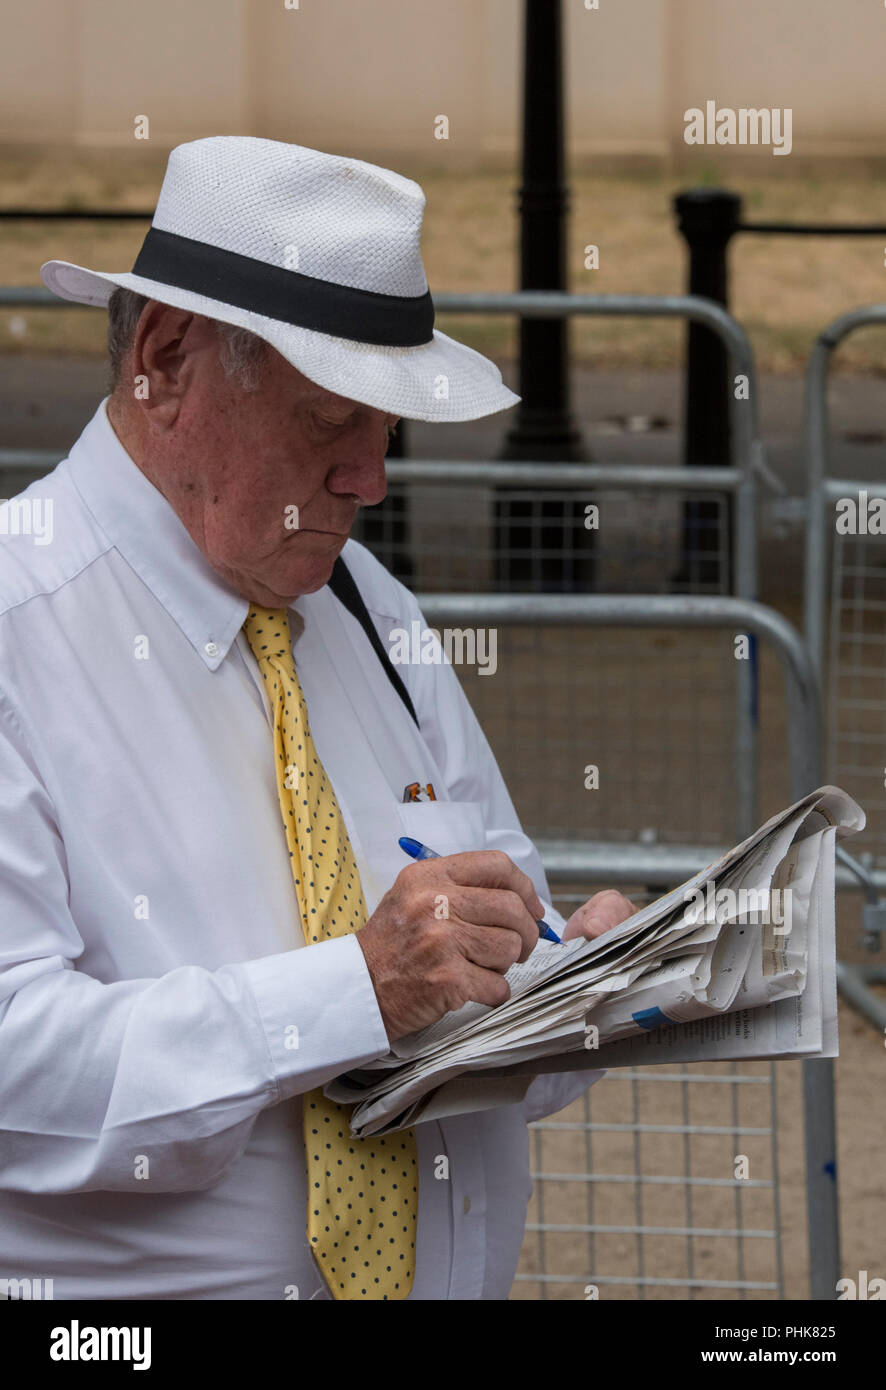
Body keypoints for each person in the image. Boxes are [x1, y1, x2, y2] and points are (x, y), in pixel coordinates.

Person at [0, 136, 633, 1301]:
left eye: (388, 429)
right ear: (166, 359)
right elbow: (15, 1068)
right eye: (330, 419)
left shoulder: (361, 602)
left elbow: (485, 934)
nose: (371, 479)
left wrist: (580, 985)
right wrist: (355, 990)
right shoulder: (15, 625)